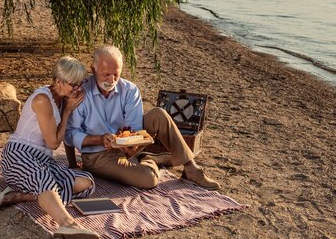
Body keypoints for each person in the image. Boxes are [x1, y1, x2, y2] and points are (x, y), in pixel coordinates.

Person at [65, 45, 220, 191]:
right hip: (98, 155)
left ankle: (191, 169)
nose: (111, 81)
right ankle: (150, 160)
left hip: (126, 148)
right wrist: (99, 140)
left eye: (116, 75)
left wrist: (133, 142)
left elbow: (135, 128)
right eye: (106, 75)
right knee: (149, 179)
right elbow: (70, 134)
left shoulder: (130, 90)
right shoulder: (80, 93)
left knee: (159, 115)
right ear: (93, 69)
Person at [0, 56, 100, 239]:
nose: (78, 89)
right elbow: (53, 143)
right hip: (18, 155)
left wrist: (68, 108)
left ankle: (24, 196)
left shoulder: (63, 98)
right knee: (44, 180)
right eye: (74, 85)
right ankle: (67, 223)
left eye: (80, 83)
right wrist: (67, 112)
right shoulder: (43, 100)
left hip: (43, 160)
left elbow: (63, 138)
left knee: (85, 182)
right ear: (58, 81)